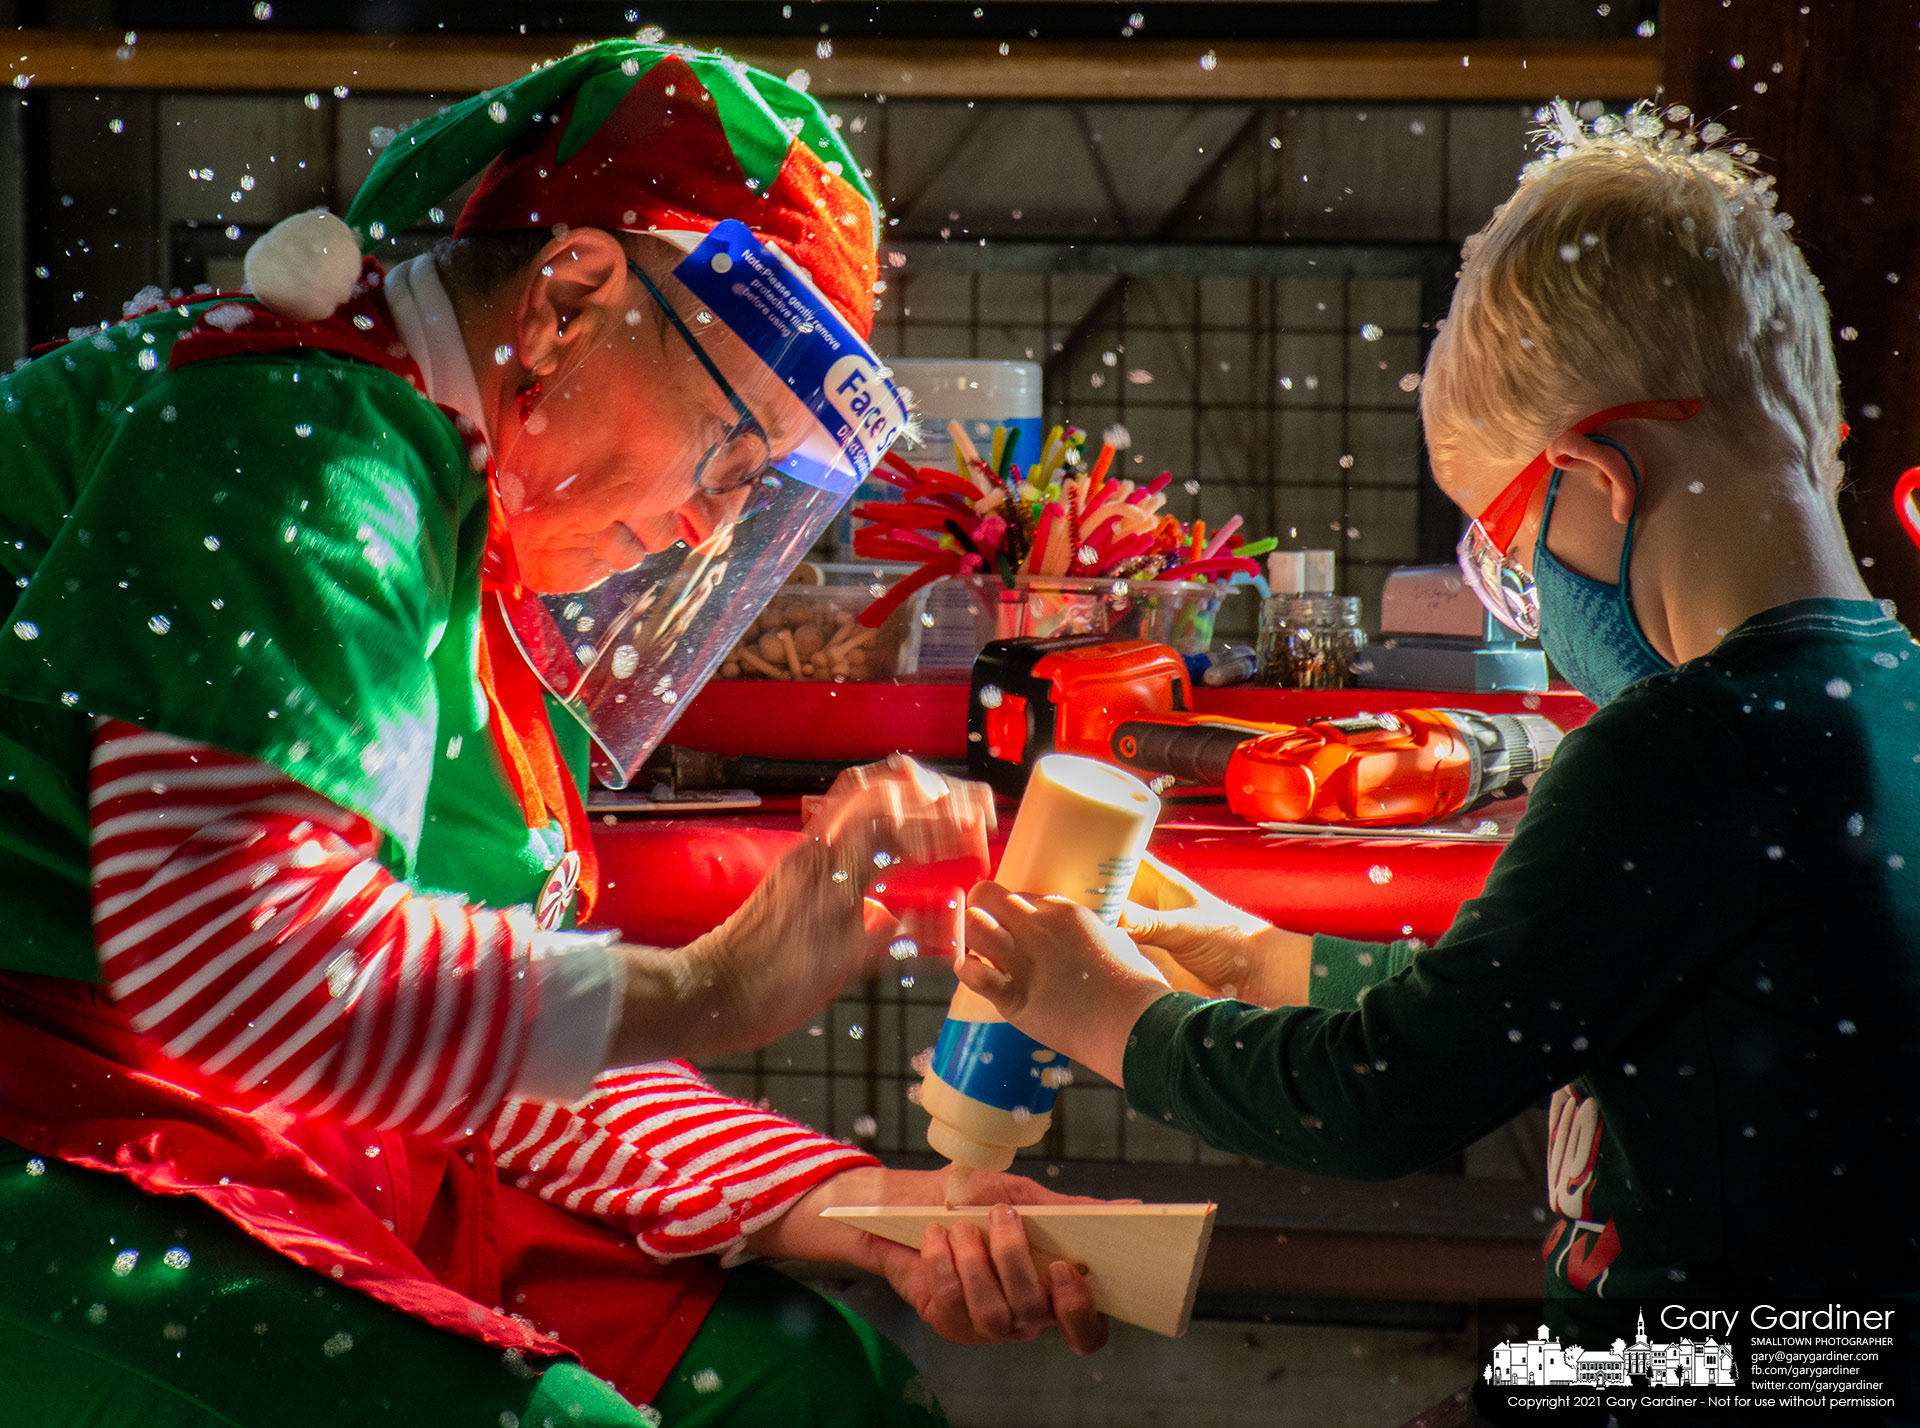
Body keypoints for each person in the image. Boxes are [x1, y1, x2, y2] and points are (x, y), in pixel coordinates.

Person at [0, 40, 1103, 1428]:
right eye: (729, 447)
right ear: (573, 295)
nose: (711, 523)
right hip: (53, 1118)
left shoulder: (456, 509)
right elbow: (252, 968)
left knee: (818, 1395)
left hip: (246, 1111)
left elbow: (469, 1032)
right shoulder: (302, 425)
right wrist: (711, 991)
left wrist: (849, 1199)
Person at [957, 99, 1920, 1381]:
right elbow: (1567, 1002)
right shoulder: (1887, 705)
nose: (1533, 608)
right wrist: (1267, 963)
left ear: (1600, 478)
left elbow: (1383, 1096)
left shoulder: (1676, 751)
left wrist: (1109, 1014)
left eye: (1517, 558)